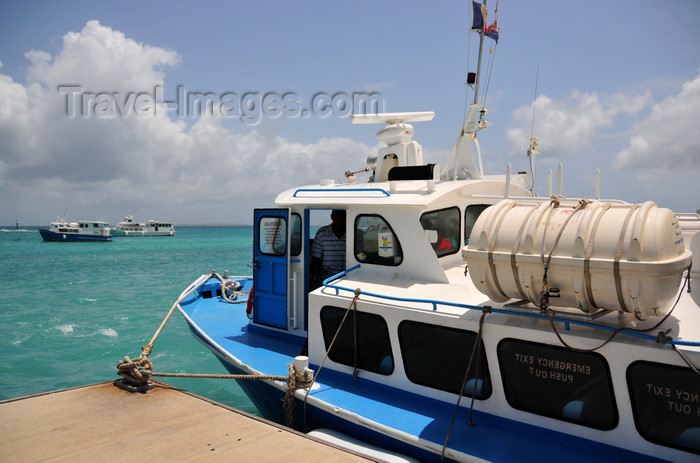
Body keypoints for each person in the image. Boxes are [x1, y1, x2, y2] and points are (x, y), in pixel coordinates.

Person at [310, 209, 346, 289]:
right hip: (326, 278)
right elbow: (316, 259)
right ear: (331, 217)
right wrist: (319, 280)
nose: (339, 222)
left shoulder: (356, 233)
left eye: (341, 219)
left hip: (349, 278)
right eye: (336, 219)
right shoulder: (322, 233)